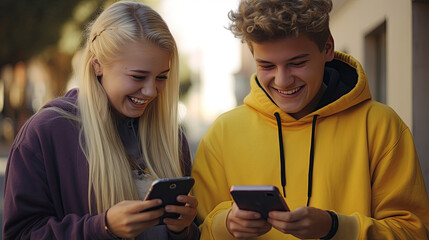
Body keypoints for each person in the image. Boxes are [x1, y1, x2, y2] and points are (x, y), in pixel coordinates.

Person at [191, 0, 429, 239]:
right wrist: (226, 225)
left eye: (297, 63)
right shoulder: (222, 133)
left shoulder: (380, 126)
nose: (282, 81)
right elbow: (194, 230)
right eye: (266, 65)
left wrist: (335, 227)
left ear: (327, 48)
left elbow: (414, 231)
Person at [3, 1, 199, 239]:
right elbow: (20, 234)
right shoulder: (45, 133)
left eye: (161, 77)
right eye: (138, 76)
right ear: (98, 65)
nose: (151, 91)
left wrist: (184, 230)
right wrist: (103, 227)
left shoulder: (173, 139)